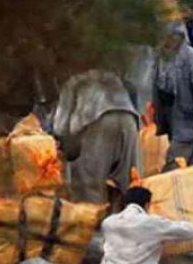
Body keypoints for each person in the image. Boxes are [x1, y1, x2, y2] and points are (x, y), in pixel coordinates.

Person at [52, 70, 141, 205]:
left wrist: (60, 143)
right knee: (129, 185)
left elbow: (60, 126)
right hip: (129, 119)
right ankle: (130, 222)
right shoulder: (109, 75)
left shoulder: (73, 81)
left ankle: (90, 225)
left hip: (97, 119)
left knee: (88, 188)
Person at [152, 24, 193, 171]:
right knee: (189, 161)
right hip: (168, 115)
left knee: (174, 165)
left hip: (187, 119)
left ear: (178, 38)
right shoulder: (159, 56)